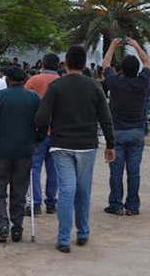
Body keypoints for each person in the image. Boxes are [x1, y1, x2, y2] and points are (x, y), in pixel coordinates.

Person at [35, 45, 115, 253]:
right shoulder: (94, 86)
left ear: (66, 63)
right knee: (82, 190)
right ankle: (82, 233)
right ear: (85, 64)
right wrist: (110, 144)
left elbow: (42, 117)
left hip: (61, 144)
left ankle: (63, 238)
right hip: (87, 146)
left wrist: (40, 135)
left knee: (67, 189)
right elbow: (106, 118)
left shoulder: (56, 87)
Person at [0, 67, 40, 243]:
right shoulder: (34, 98)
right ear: (24, 80)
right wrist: (37, 141)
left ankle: (2, 227)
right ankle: (17, 228)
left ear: (7, 80)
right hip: (25, 151)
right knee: (19, 191)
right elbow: (42, 122)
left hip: (2, 151)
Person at [102, 38, 150, 217]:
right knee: (134, 172)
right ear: (137, 69)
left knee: (116, 172)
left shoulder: (115, 82)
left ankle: (115, 204)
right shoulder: (142, 82)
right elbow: (147, 62)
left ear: (121, 68)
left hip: (117, 131)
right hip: (137, 131)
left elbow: (105, 64)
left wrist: (113, 45)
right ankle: (132, 205)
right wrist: (136, 45)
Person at [24, 53, 61, 215]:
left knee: (34, 168)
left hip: (37, 131)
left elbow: (25, 105)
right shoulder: (62, 82)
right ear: (58, 65)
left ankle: (36, 202)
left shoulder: (32, 81)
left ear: (43, 64)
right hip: (58, 132)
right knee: (54, 169)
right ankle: (52, 202)